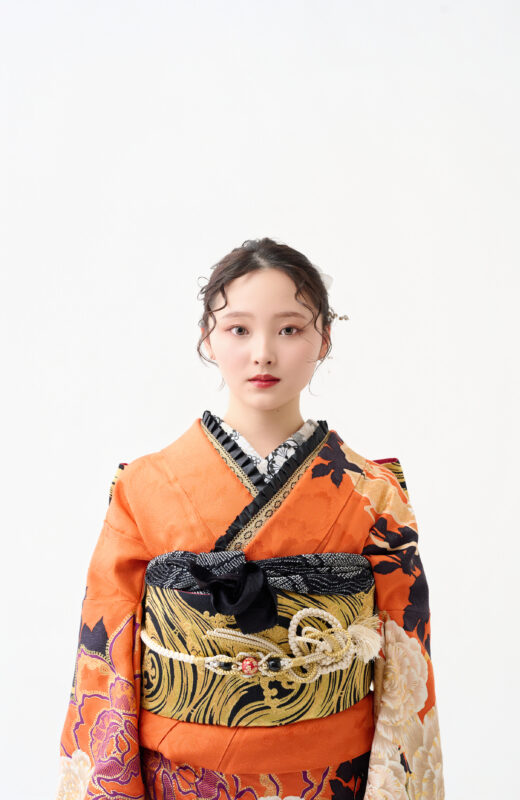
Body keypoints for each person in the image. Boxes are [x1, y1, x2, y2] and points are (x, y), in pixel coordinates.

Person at [57, 237, 444, 800]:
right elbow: (106, 657)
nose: (263, 353)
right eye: (239, 329)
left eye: (289, 329)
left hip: (331, 779)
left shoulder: (374, 494)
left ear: (324, 339)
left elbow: (407, 659)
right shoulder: (142, 487)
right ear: (207, 338)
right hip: (180, 780)